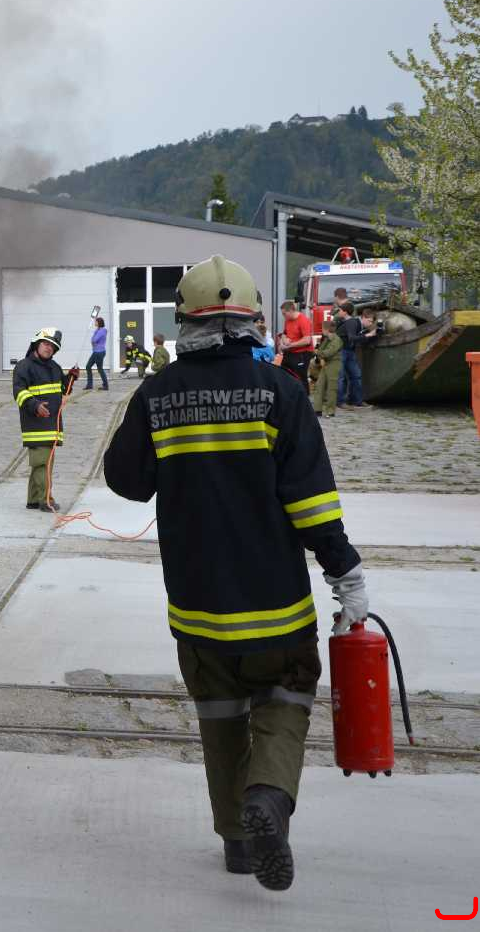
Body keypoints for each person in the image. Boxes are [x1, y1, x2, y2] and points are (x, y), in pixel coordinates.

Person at [104, 254, 367, 893]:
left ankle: (239, 845)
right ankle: (268, 797)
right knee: (286, 697)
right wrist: (346, 575)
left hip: (197, 606)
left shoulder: (157, 393)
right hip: (276, 605)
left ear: (184, 320)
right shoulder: (282, 392)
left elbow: (126, 481)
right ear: (253, 319)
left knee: (220, 718)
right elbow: (312, 503)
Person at [13, 328, 76, 512]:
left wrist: (71, 378)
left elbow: (63, 389)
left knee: (41, 463)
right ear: (36, 344)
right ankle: (46, 500)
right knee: (43, 464)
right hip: (35, 424)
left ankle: (33, 500)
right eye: (46, 344)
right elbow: (19, 391)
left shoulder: (54, 367)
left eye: (52, 346)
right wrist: (35, 406)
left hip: (51, 424)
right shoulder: (24, 366)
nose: (49, 348)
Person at [334, 304, 365, 407]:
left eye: (340, 310)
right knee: (355, 376)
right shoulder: (351, 322)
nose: (338, 312)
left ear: (345, 312)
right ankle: (356, 400)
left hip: (343, 351)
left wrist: (366, 336)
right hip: (348, 351)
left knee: (343, 377)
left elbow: (351, 337)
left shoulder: (350, 322)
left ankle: (342, 401)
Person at [277, 300, 314, 387]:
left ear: (291, 311)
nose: (283, 316)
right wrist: (283, 341)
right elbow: (284, 333)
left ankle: (304, 394)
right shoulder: (288, 320)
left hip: (302, 353)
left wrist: (290, 345)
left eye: (284, 313)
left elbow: (307, 340)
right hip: (290, 352)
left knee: (300, 377)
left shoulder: (303, 320)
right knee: (284, 373)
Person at [311, 318, 343, 417]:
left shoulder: (336, 340)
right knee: (319, 386)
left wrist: (318, 353)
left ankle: (330, 410)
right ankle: (317, 409)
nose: (322, 331)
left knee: (331, 388)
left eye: (322, 329)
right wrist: (319, 353)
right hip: (326, 364)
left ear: (326, 329)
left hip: (334, 364)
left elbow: (329, 352)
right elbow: (321, 350)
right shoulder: (326, 339)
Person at [85, 316, 109, 390]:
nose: (95, 323)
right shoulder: (98, 330)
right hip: (96, 352)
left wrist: (93, 342)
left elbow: (94, 340)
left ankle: (105, 385)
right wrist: (93, 341)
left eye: (96, 322)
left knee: (99, 369)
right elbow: (93, 340)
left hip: (99, 352)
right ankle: (90, 385)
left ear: (99, 323)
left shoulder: (101, 331)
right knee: (88, 367)